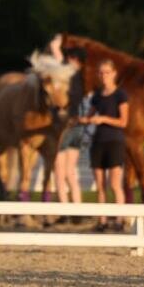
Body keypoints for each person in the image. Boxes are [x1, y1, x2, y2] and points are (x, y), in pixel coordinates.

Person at [86, 58, 129, 232]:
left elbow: (123, 122)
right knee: (100, 185)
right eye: (101, 72)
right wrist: (79, 120)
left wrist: (103, 119)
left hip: (114, 142)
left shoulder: (121, 95)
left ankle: (119, 219)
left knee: (115, 185)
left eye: (107, 72)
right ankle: (102, 220)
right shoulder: (96, 96)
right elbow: (89, 116)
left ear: (114, 74)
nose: (104, 76)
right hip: (98, 142)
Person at [50, 44, 89, 217]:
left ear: (74, 60)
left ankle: (65, 212)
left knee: (59, 173)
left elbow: (58, 62)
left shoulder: (69, 77)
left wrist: (55, 47)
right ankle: (78, 210)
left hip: (66, 127)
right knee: (71, 172)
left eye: (70, 58)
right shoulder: (82, 78)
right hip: (79, 127)